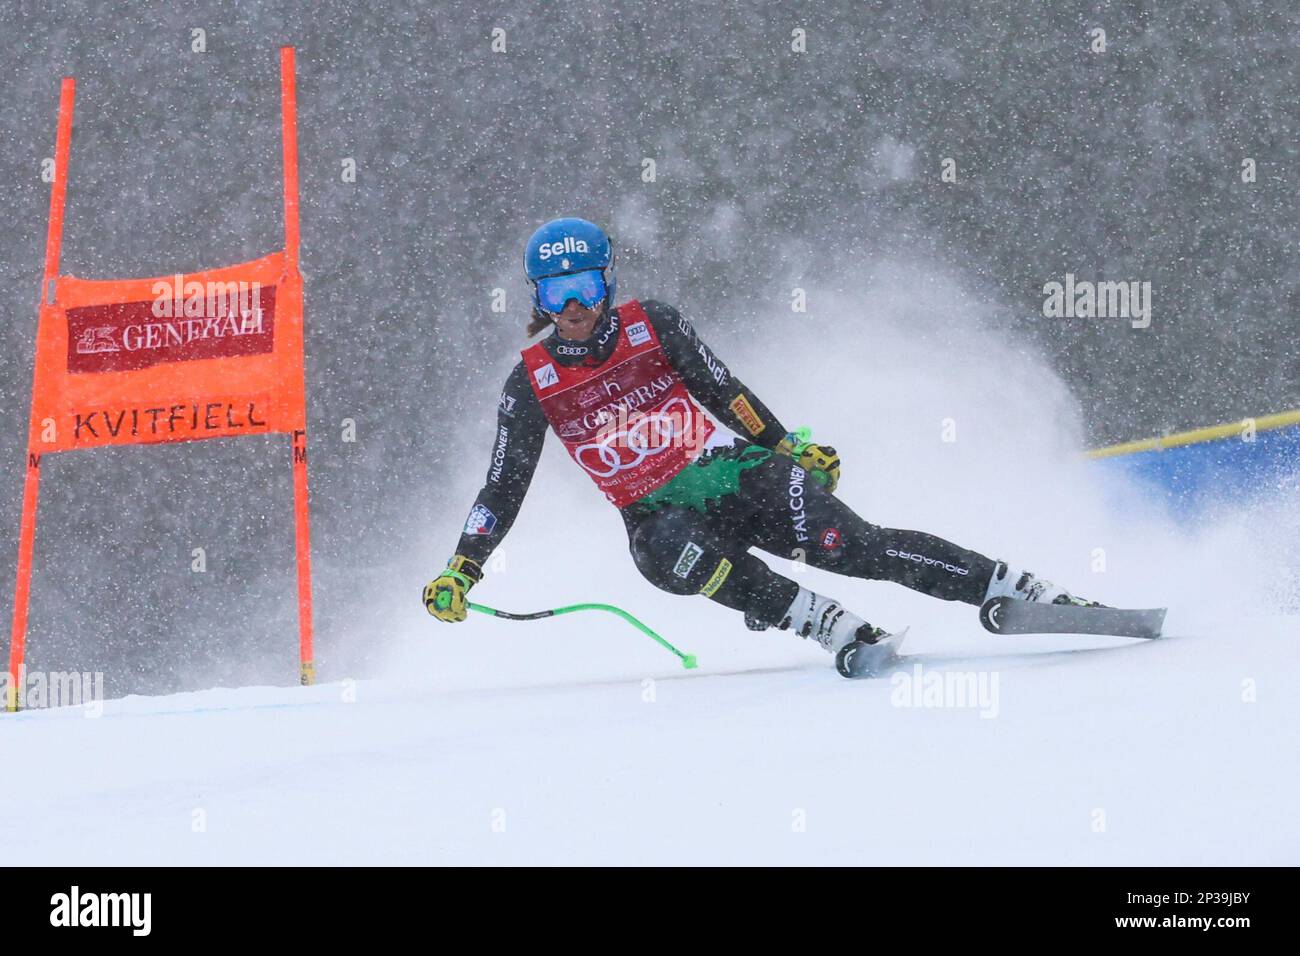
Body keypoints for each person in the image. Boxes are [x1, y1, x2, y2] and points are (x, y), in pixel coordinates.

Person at [424, 218, 1096, 675]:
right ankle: (820, 623)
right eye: (557, 292)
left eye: (588, 287)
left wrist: (787, 447)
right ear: (538, 299)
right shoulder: (533, 382)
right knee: (677, 550)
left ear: (609, 281)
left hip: (725, 475)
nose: (575, 307)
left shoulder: (650, 325)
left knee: (854, 547)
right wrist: (464, 566)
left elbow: (724, 391)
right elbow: (502, 486)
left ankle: (1017, 588)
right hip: (656, 519)